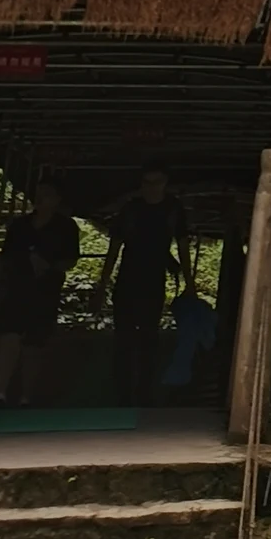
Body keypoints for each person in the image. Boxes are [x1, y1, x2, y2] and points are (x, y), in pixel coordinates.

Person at [98, 165, 191, 405]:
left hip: (154, 281)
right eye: (147, 182)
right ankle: (121, 394)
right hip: (128, 279)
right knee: (124, 339)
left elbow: (182, 246)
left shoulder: (173, 208)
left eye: (156, 182)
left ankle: (144, 393)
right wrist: (102, 283)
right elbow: (114, 247)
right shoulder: (131, 209)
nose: (151, 187)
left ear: (164, 182)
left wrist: (190, 283)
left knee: (149, 338)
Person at [0, 178, 81, 406]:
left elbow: (70, 260)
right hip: (16, 288)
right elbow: (6, 257)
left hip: (45, 291)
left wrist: (47, 266)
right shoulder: (19, 226)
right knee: (8, 338)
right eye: (38, 194)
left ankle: (26, 397)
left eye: (47, 194)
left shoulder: (66, 227)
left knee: (34, 344)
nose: (41, 199)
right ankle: (0, 394)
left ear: (57, 199)